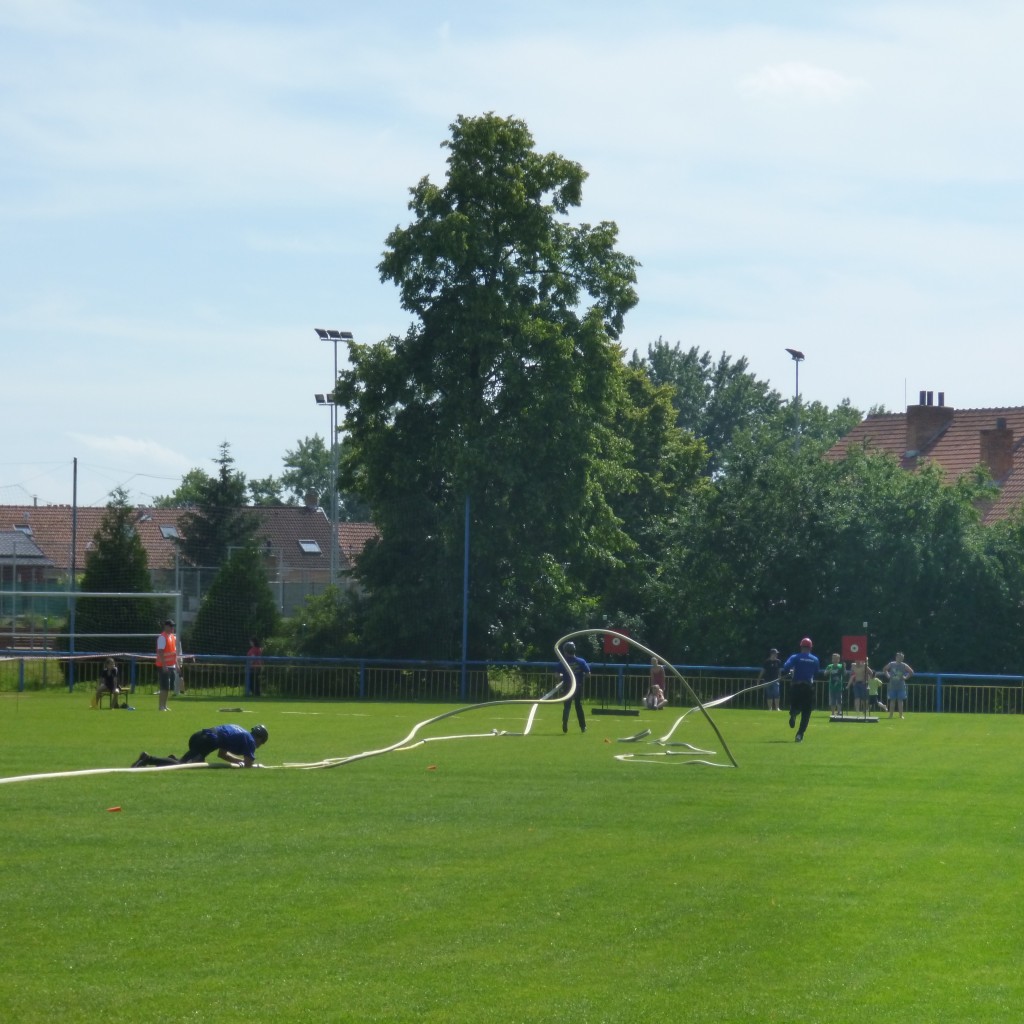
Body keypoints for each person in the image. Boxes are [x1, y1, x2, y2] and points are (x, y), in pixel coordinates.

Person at [132, 723, 268, 768]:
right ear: (260, 738)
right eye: (261, 743)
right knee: (182, 765)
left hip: (200, 736)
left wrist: (239, 762)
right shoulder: (250, 741)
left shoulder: (241, 733)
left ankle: (170, 759)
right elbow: (248, 764)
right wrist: (252, 764)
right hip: (207, 741)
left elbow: (222, 754)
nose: (259, 746)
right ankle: (147, 759)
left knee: (194, 764)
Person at [781, 637, 820, 742]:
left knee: (794, 704)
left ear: (801, 647)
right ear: (810, 648)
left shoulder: (795, 657)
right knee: (806, 712)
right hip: (808, 687)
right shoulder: (815, 659)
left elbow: (786, 667)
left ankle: (793, 713)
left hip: (796, 686)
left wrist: (792, 670)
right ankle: (799, 734)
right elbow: (816, 672)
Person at [556, 641, 589, 733]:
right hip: (578, 686)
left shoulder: (562, 662)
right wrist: (580, 674)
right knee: (578, 706)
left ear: (565, 651)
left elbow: (557, 675)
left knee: (567, 706)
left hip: (567, 686)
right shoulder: (581, 661)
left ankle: (565, 723)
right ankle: (583, 726)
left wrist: (563, 675)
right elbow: (588, 674)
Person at [155, 619, 180, 711]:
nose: (173, 628)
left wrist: (177, 664)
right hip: (163, 666)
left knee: (168, 687)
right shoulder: (162, 637)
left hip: (171, 666)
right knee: (164, 687)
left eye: (173, 626)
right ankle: (161, 706)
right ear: (166, 627)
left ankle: (165, 705)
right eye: (171, 626)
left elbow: (174, 653)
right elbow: (161, 652)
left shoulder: (173, 637)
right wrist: (164, 665)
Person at [882, 652, 915, 719]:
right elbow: (884, 669)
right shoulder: (891, 664)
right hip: (892, 685)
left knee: (900, 701)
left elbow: (911, 672)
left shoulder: (904, 665)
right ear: (896, 657)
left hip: (901, 686)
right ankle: (890, 715)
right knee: (892, 701)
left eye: (901, 657)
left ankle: (901, 715)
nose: (900, 658)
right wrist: (888, 676)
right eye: (899, 657)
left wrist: (905, 677)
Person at [823, 653, 846, 717]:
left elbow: (844, 674)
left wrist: (844, 668)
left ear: (839, 659)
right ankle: (833, 713)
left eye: (836, 658)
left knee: (839, 699)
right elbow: (825, 673)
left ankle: (839, 712)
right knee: (832, 700)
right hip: (832, 686)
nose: (835, 660)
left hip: (839, 686)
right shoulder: (830, 666)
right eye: (833, 658)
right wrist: (829, 671)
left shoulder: (841, 666)